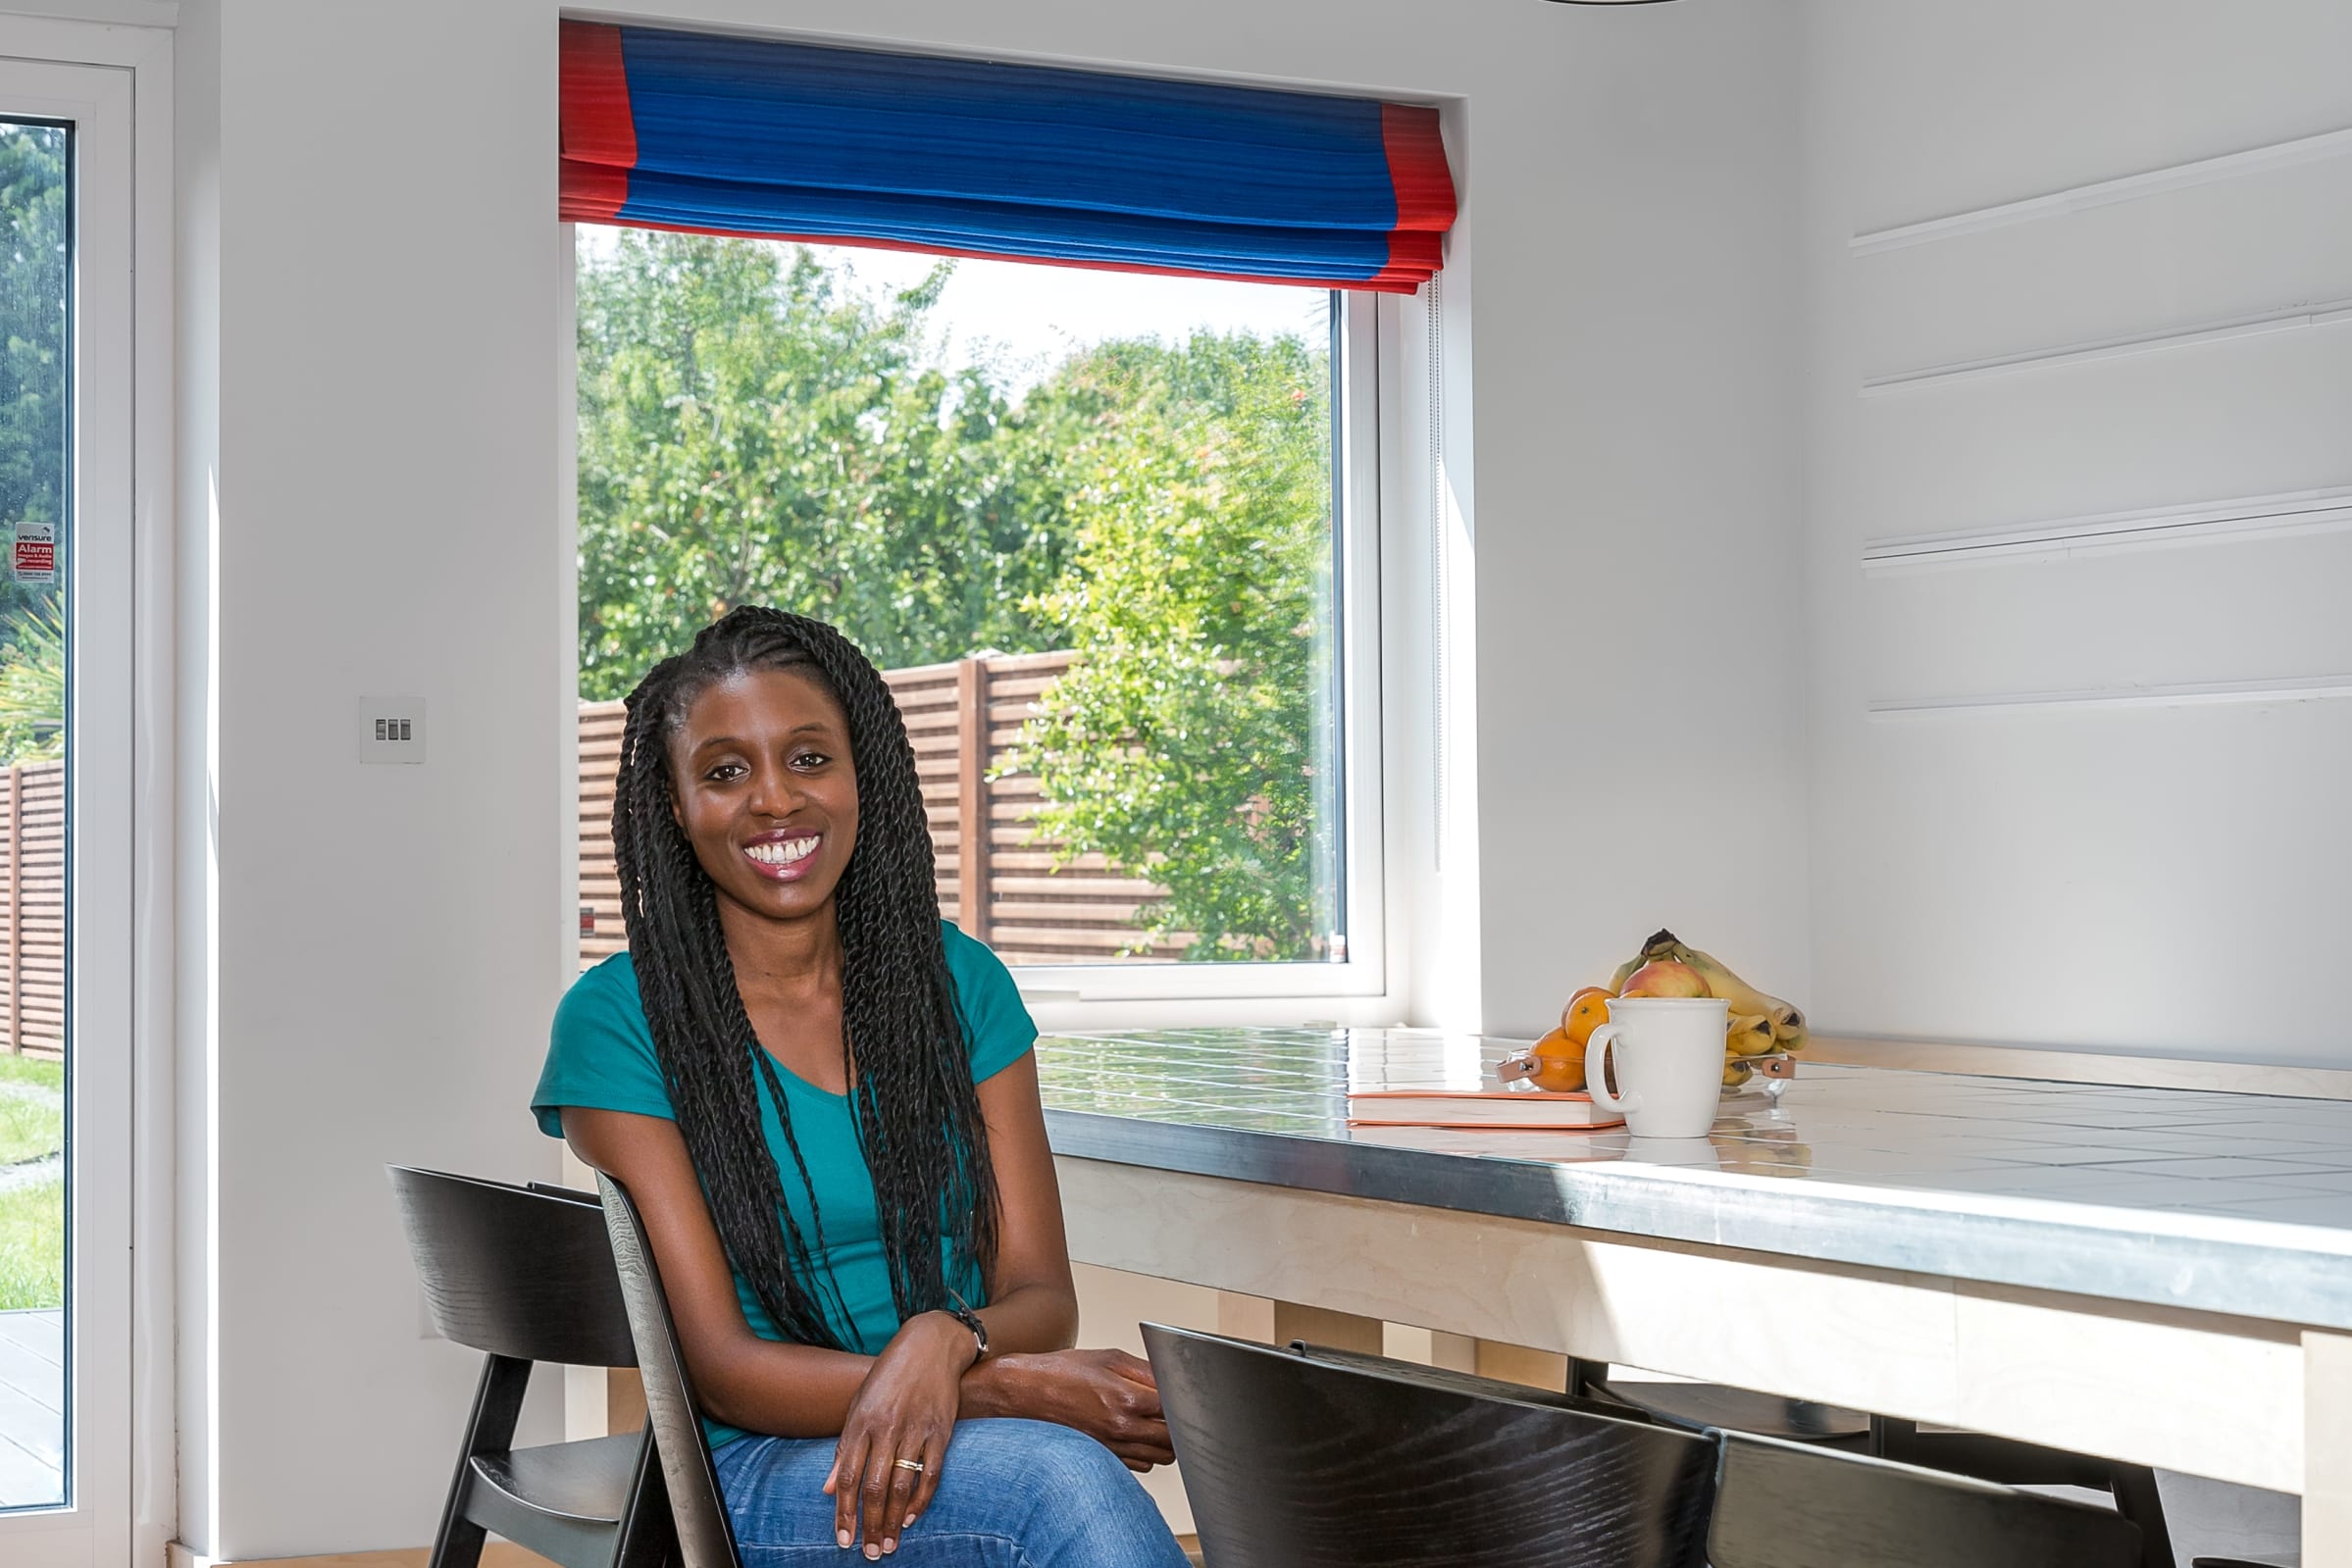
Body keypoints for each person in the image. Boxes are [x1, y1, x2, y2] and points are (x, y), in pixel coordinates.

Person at [534, 607, 1192, 1565]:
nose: (774, 800)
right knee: (1059, 1482)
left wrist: (939, 1338)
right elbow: (722, 1372)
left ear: (860, 775)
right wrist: (994, 1384)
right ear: (675, 807)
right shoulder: (620, 1022)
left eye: (808, 759)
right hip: (757, 1470)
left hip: (964, 1448)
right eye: (725, 772)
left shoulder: (960, 984)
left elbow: (1042, 1296)